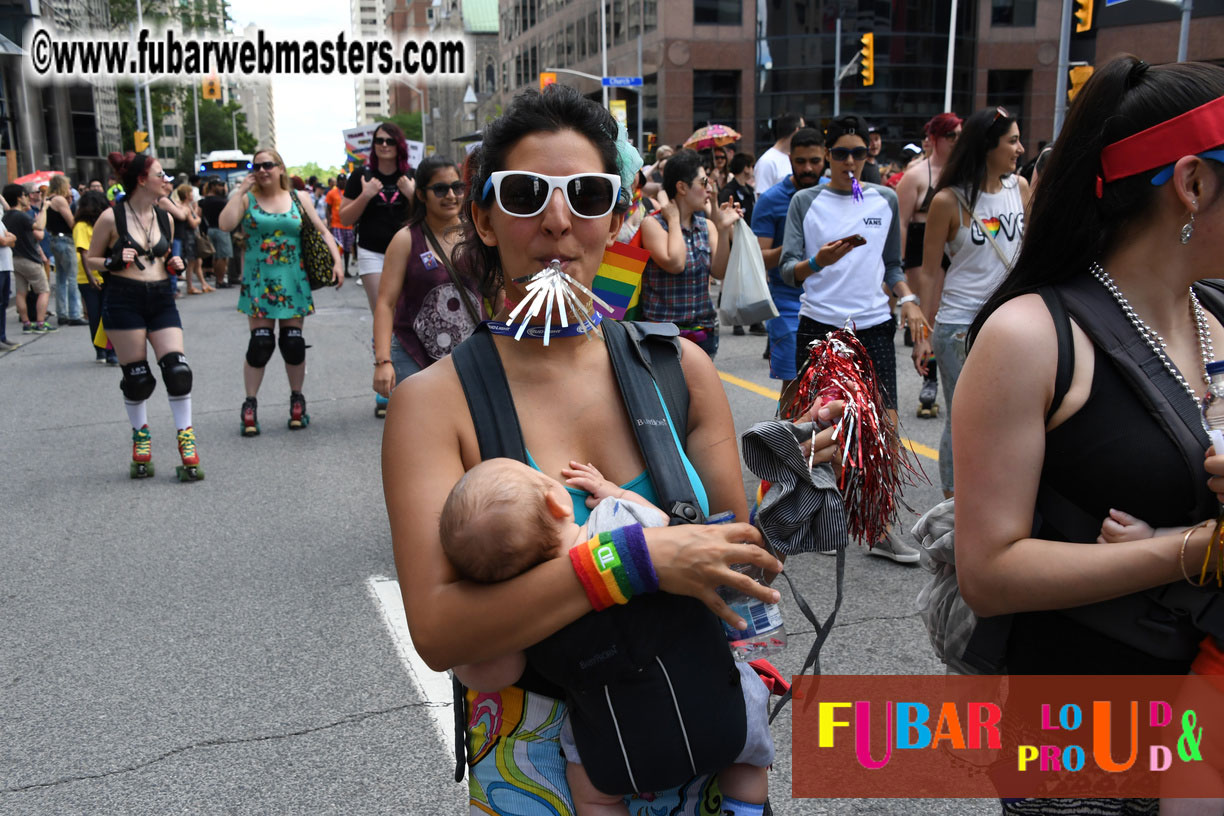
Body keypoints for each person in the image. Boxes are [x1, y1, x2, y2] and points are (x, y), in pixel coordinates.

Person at [383, 83, 824, 816]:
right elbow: (439, 631)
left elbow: (734, 563)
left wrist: (801, 469)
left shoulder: (679, 368)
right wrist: (632, 561)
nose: (558, 221)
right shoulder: (435, 403)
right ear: (484, 219)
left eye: (586, 195)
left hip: (696, 733)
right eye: (525, 194)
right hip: (540, 770)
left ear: (617, 218)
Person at [954, 56, 1224, 816]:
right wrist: (1193, 551)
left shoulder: (1217, 313)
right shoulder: (1031, 336)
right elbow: (989, 571)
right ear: (1193, 183)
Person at [441, 457, 771, 816]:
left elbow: (495, 673)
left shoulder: (531, 610)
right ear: (558, 501)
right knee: (750, 746)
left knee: (592, 794)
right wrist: (615, 493)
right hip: (723, 719)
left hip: (620, 752)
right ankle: (744, 808)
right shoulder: (615, 519)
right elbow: (667, 530)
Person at [778, 113, 924, 562]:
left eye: (857, 153)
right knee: (819, 426)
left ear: (867, 155)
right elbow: (787, 271)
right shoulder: (805, 201)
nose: (849, 161)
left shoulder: (884, 199)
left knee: (885, 427)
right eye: (840, 153)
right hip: (820, 326)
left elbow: (893, 266)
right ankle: (818, 517)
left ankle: (879, 527)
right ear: (828, 155)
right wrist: (817, 262)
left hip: (873, 326)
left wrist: (908, 299)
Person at [910, 107, 1028, 498]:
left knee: (1009, 417)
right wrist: (923, 334)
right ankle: (954, 506)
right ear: (987, 146)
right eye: (1012, 141)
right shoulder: (948, 200)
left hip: (1010, 324)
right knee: (965, 418)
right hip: (959, 327)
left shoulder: (1020, 189)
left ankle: (995, 495)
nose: (1020, 149)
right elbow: (930, 273)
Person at [85, 152, 198, 480]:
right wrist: (111, 261)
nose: (167, 181)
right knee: (137, 379)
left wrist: (174, 264)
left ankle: (186, 438)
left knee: (178, 370)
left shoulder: (166, 217)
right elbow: (91, 258)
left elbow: (163, 256)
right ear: (141, 180)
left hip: (161, 298)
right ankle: (141, 437)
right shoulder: (111, 218)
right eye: (161, 175)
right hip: (124, 300)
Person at [219, 148, 343, 436]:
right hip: (259, 281)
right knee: (260, 343)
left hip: (293, 281)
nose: (262, 170)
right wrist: (240, 191)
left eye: (268, 165)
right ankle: (250, 404)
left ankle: (297, 400)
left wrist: (337, 262)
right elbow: (225, 224)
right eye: (257, 166)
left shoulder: (299, 198)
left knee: (293, 343)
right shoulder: (247, 199)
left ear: (280, 168)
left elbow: (323, 231)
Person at [372, 155, 483, 411]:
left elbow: (498, 294)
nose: (451, 196)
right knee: (421, 425)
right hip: (415, 355)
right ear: (421, 194)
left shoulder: (476, 235)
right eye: (440, 189)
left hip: (470, 354)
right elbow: (385, 303)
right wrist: (382, 361)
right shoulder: (405, 239)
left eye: (457, 187)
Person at [340, 122, 415, 415]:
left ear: (399, 146)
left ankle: (408, 379)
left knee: (406, 315)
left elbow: (429, 213)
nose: (384, 145)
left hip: (407, 250)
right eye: (379, 141)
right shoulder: (361, 176)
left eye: (389, 141)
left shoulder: (410, 176)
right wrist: (366, 194)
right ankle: (386, 385)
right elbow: (345, 218)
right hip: (372, 252)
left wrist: (412, 193)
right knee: (383, 313)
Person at [639, 148, 742, 359]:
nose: (709, 189)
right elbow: (675, 263)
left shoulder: (707, 226)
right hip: (663, 336)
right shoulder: (652, 224)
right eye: (703, 183)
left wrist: (723, 230)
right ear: (682, 187)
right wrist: (674, 221)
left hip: (703, 333)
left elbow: (719, 272)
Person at [896, 112, 963, 417]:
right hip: (921, 246)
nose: (957, 141)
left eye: (960, 135)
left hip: (956, 245)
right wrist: (898, 263)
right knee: (929, 314)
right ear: (934, 138)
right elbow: (901, 221)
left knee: (956, 314)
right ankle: (930, 380)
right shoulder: (915, 175)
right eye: (951, 135)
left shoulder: (964, 172)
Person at [751, 127, 825, 398]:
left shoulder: (836, 193)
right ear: (790, 159)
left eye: (815, 161)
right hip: (787, 302)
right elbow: (759, 257)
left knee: (828, 384)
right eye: (800, 161)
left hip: (829, 299)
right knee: (794, 384)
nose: (808, 168)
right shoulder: (771, 200)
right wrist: (794, 247)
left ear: (826, 158)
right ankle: (787, 428)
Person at [72, 190, 117, 365]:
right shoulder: (81, 226)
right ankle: (100, 350)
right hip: (87, 278)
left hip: (107, 274)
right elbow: (84, 253)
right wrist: (91, 277)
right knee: (95, 314)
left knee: (107, 313)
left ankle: (110, 349)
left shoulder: (104, 223)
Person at [3, 184, 54, 333]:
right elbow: (39, 227)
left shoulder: (6, 216)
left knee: (21, 292)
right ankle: (40, 322)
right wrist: (45, 208)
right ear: (19, 198)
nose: (26, 198)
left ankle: (26, 323)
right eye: (25, 195)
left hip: (15, 258)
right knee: (44, 290)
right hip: (29, 258)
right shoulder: (21, 216)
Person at [46, 174, 86, 326]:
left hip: (54, 239)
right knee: (72, 278)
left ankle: (62, 312)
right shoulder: (59, 200)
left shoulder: (49, 199)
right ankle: (74, 314)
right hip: (65, 240)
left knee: (61, 278)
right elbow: (72, 222)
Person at [755, 113, 804, 194]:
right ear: (797, 130)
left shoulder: (796, 158)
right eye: (803, 129)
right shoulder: (767, 162)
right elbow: (762, 197)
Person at [174, 183, 209, 295]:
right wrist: (198, 219)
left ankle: (203, 284)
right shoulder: (185, 207)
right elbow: (194, 223)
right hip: (189, 238)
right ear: (186, 194)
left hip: (192, 237)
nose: (193, 195)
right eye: (191, 193)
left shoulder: (188, 206)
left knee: (197, 262)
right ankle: (190, 286)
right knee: (192, 262)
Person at [199, 180, 233, 288]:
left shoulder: (203, 201)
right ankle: (220, 280)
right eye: (220, 185)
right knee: (222, 256)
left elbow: (199, 215)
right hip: (221, 230)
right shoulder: (222, 201)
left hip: (209, 229)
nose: (222, 187)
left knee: (215, 256)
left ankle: (218, 279)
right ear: (213, 186)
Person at [324, 174, 353, 277]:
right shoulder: (331, 193)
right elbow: (328, 209)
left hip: (348, 225)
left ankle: (346, 270)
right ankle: (337, 269)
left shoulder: (350, 192)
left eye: (344, 180)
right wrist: (329, 223)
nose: (342, 182)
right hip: (336, 225)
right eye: (340, 180)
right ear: (337, 181)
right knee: (338, 248)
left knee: (347, 249)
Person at [0, 202, 18, 351]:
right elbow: (4, 240)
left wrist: (9, 239)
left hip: (5, 266)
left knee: (3, 303)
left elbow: (12, 240)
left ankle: (2, 337)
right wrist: (9, 239)